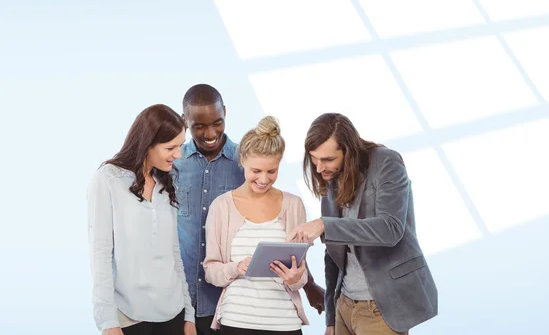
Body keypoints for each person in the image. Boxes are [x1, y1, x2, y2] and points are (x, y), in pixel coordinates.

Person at [173, 84, 325, 335]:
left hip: (237, 306)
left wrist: (307, 284)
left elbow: (293, 256)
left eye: (217, 122)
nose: (210, 132)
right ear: (185, 121)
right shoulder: (173, 162)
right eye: (199, 125)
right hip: (188, 298)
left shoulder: (244, 161)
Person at [286, 113, 438, 335]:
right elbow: (333, 254)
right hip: (344, 305)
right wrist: (331, 317)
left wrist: (324, 225)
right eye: (314, 159)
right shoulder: (331, 178)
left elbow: (390, 228)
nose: (319, 168)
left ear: (349, 151)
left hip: (380, 309)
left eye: (328, 159)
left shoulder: (387, 162)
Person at [87, 104, 196, 335]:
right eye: (171, 147)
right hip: (130, 317)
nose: (178, 155)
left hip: (173, 313)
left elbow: (173, 252)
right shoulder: (108, 180)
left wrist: (189, 313)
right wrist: (107, 322)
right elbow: (101, 254)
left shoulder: (167, 182)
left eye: (180, 146)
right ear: (147, 144)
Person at [203, 116, 310, 334]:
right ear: (242, 160)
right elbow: (210, 271)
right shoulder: (221, 206)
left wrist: (296, 278)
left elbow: (302, 273)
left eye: (272, 171)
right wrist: (236, 267)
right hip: (236, 322)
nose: (264, 179)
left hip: (285, 323)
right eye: (256, 171)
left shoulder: (294, 205)